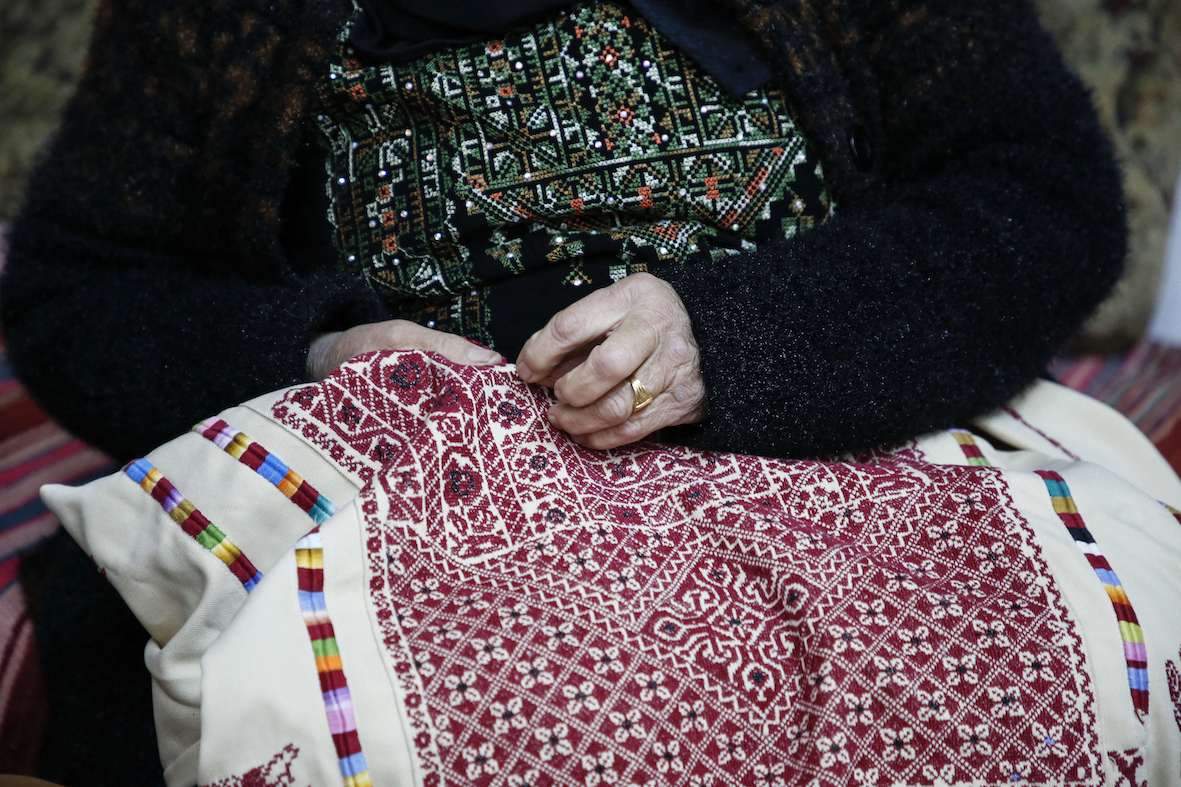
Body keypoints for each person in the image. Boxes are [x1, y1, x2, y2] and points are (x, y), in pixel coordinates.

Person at [0, 0, 1124, 466]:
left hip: (835, 457)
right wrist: (313, 365)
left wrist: (724, 342)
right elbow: (79, 289)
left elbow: (1040, 199)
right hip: (391, 504)